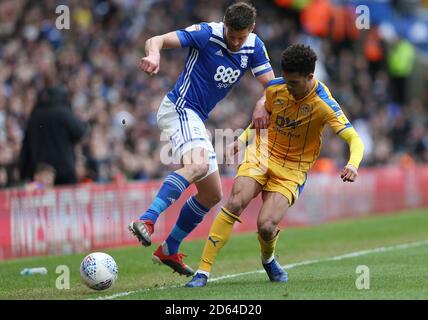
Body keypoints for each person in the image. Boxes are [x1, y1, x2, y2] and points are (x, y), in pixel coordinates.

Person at [186, 44, 365, 287]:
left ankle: (268, 259)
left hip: (292, 169)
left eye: (293, 82)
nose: (287, 87)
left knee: (266, 225)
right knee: (235, 201)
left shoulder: (324, 104)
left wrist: (353, 164)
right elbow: (262, 119)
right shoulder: (276, 88)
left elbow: (354, 138)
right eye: (286, 80)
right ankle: (203, 272)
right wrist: (240, 141)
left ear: (310, 77)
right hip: (262, 153)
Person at [128, 2, 275, 276]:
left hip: (196, 118)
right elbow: (156, 39)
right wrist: (154, 55)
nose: (234, 41)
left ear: (251, 29)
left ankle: (169, 248)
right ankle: (147, 220)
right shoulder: (207, 33)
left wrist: (261, 104)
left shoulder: (254, 46)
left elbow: (272, 87)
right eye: (231, 34)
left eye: (240, 37)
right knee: (196, 166)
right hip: (179, 109)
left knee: (211, 195)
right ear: (224, 24)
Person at [19, 83, 88, 185]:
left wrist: (24, 172)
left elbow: (26, 145)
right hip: (64, 170)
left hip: (41, 171)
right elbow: (81, 132)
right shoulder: (63, 112)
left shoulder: (35, 115)